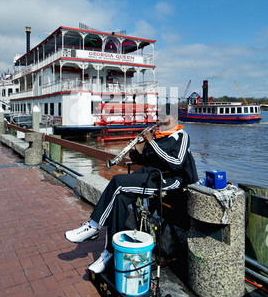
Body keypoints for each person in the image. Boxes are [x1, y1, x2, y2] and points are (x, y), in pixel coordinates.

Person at [65, 114, 198, 273]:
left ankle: (93, 226)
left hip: (173, 181)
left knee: (117, 181)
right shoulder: (158, 136)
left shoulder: (181, 136)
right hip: (153, 176)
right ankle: (109, 253)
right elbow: (145, 160)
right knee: (120, 197)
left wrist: (151, 142)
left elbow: (176, 164)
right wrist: (136, 149)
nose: (160, 123)